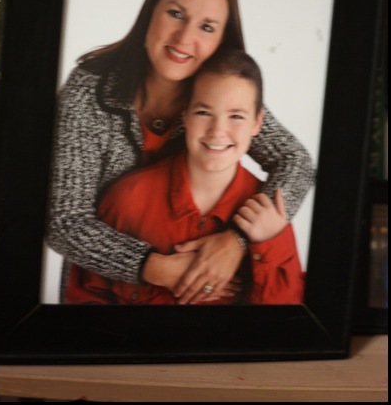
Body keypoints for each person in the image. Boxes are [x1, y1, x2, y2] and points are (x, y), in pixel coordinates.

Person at [47, 0, 314, 304]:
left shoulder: (218, 97)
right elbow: (64, 221)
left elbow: (296, 162)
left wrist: (237, 241)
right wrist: (154, 267)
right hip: (110, 293)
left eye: (207, 27)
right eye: (175, 14)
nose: (185, 37)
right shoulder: (89, 91)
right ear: (149, 14)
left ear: (221, 41)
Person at [66, 49, 305, 305]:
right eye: (204, 113)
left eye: (236, 116)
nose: (217, 131)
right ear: (185, 115)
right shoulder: (126, 200)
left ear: (257, 123)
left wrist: (266, 244)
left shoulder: (268, 218)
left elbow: (287, 315)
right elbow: (84, 300)